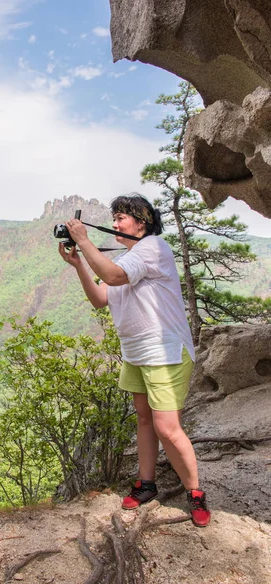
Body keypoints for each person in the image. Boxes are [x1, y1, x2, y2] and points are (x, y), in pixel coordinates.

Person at [58, 194, 211, 527]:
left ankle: (195, 493)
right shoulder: (129, 259)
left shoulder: (152, 249)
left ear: (142, 222)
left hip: (165, 351)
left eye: (121, 218)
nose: (115, 224)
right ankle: (146, 484)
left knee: (167, 429)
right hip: (137, 352)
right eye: (113, 218)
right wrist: (79, 264)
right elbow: (101, 297)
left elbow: (112, 277)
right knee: (144, 420)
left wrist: (84, 241)